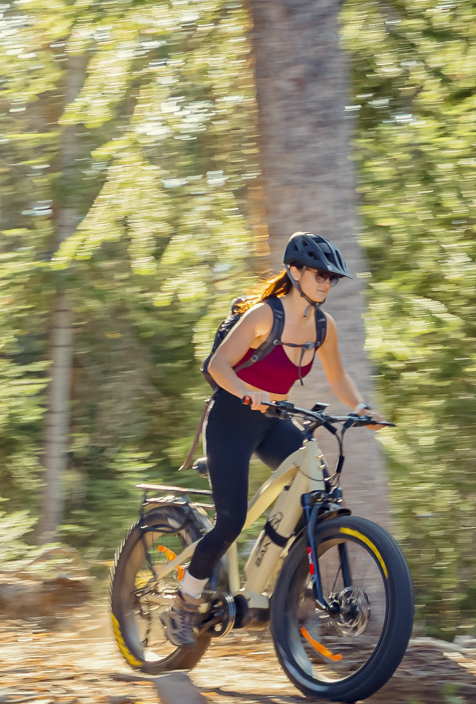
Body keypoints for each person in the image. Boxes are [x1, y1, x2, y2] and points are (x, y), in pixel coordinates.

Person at [160, 232, 380, 650]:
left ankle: (281, 580)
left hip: (271, 420)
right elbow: (217, 366)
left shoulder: (323, 326)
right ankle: (183, 605)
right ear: (294, 272)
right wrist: (248, 391)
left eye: (332, 278)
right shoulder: (264, 316)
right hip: (230, 420)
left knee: (317, 492)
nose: (327, 283)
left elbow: (338, 376)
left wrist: (362, 408)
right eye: (319, 274)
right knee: (230, 521)